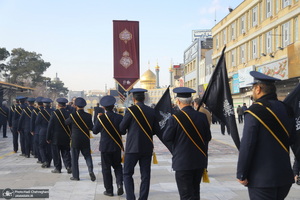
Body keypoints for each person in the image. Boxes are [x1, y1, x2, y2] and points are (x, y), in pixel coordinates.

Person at [237, 71, 296, 200]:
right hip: (284, 177)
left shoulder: (254, 111)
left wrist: (241, 173)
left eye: (253, 88)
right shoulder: (287, 109)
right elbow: (296, 141)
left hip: (261, 180)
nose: (253, 91)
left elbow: (248, 144)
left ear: (258, 89)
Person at [162, 87, 211, 200]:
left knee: (186, 196)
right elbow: (207, 137)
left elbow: (166, 137)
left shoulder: (174, 119)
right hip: (199, 160)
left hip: (182, 162)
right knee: (195, 192)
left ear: (178, 101)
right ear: (191, 101)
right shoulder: (202, 117)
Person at [119, 88, 160, 200]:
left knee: (127, 174)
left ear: (133, 98)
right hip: (147, 147)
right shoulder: (151, 111)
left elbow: (122, 129)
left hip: (132, 148)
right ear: (144, 98)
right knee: (145, 176)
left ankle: (131, 198)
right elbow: (156, 130)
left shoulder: (130, 110)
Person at [93, 95, 124, 196]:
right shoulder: (119, 117)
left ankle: (109, 191)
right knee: (118, 166)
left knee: (106, 169)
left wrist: (97, 119)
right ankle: (120, 184)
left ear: (104, 107)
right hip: (116, 146)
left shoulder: (101, 118)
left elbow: (95, 131)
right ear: (113, 106)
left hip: (105, 147)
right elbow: (123, 132)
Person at [65, 97, 96, 181]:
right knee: (87, 156)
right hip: (85, 138)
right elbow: (91, 127)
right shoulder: (88, 116)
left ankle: (76, 176)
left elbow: (66, 123)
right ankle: (90, 170)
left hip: (75, 139)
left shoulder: (72, 116)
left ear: (75, 106)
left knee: (74, 158)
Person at [46, 98, 72, 174]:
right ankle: (68, 166)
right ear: (65, 105)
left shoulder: (54, 113)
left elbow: (50, 126)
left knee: (56, 154)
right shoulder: (68, 114)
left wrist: (48, 137)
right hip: (66, 136)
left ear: (58, 105)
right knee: (66, 152)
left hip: (55, 137)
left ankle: (58, 168)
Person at [36, 98, 54, 168]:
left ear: (43, 105)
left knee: (41, 146)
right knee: (49, 148)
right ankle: (49, 162)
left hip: (43, 131)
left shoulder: (41, 112)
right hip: (51, 132)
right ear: (50, 104)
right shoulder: (54, 111)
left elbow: (37, 122)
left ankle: (44, 160)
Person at [30, 97, 44, 163]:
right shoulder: (49, 110)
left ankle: (40, 159)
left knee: (38, 145)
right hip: (46, 131)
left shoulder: (35, 111)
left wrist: (32, 130)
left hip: (37, 130)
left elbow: (32, 121)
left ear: (37, 104)